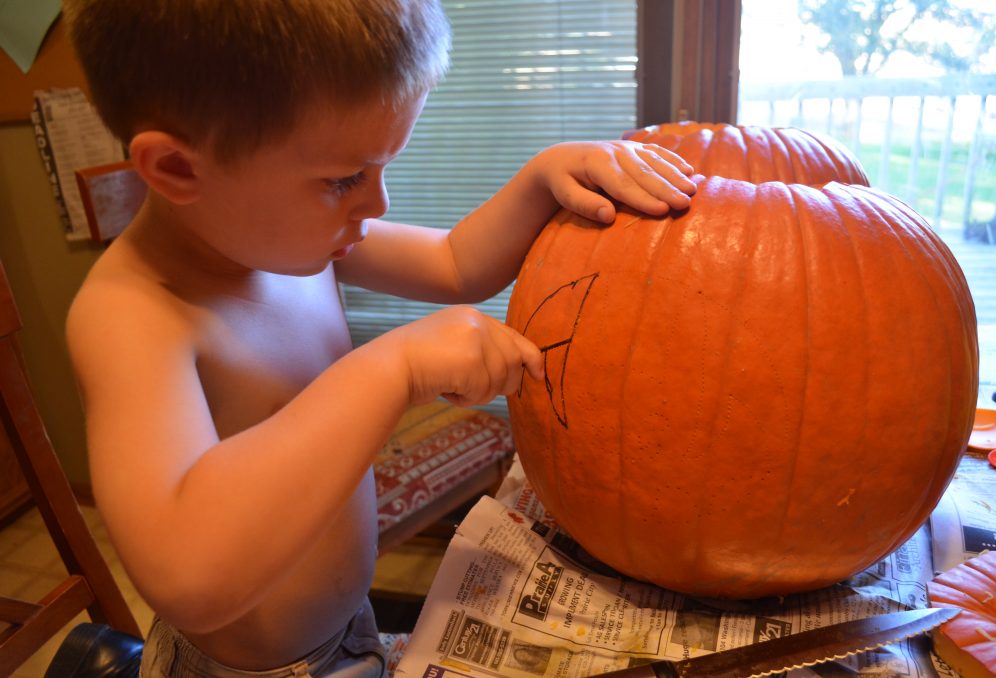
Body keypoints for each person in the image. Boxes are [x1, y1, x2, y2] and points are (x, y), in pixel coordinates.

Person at [62, 1, 696, 676]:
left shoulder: (298, 242)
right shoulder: (130, 317)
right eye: (343, 179)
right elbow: (190, 575)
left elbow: (456, 262)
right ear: (178, 169)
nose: (377, 205)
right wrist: (391, 367)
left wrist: (543, 177)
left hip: (345, 632)